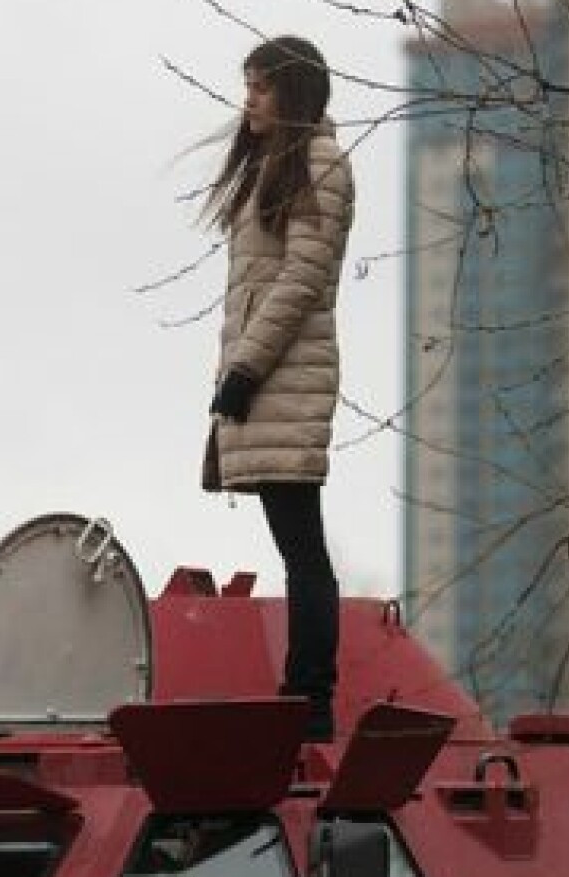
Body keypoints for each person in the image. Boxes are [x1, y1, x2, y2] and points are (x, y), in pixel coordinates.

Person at [201, 35, 355, 741]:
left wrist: (245, 372)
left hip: (284, 378)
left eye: (261, 87)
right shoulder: (273, 165)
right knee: (296, 545)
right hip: (269, 379)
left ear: (293, 93)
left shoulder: (319, 163)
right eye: (248, 86)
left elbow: (300, 283)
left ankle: (311, 699)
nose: (249, 99)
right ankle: (304, 693)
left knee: (302, 547)